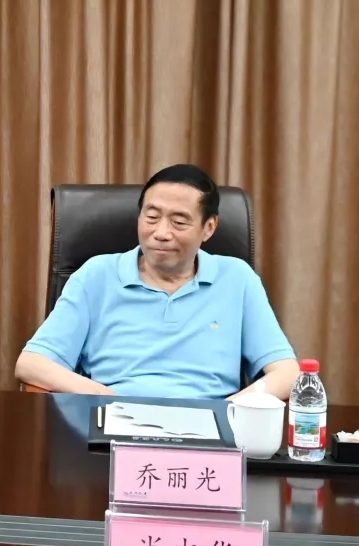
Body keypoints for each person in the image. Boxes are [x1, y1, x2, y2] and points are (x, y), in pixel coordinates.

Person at [15, 163, 299, 401]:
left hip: (209, 428)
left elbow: (288, 373)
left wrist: (231, 411)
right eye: (151, 217)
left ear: (209, 227)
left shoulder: (237, 278)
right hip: (113, 421)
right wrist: (103, 398)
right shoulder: (97, 275)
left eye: (179, 222)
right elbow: (31, 363)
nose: (161, 233)